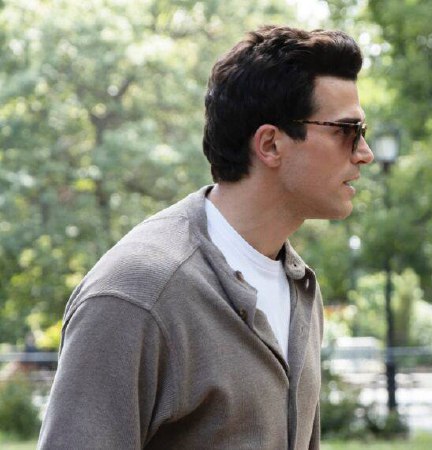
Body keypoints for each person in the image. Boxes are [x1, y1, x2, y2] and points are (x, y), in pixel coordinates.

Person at [39, 25, 373, 449]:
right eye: (347, 131)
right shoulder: (136, 294)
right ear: (270, 144)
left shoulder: (299, 286)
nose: (364, 153)